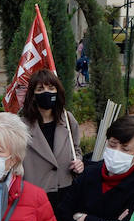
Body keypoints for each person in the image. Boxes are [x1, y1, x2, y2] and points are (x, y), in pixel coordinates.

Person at [19, 69, 85, 199]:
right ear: (33, 95)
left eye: (51, 88)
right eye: (40, 89)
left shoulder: (67, 119)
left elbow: (76, 149)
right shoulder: (21, 126)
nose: (46, 92)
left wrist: (79, 162)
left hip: (65, 190)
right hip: (35, 193)